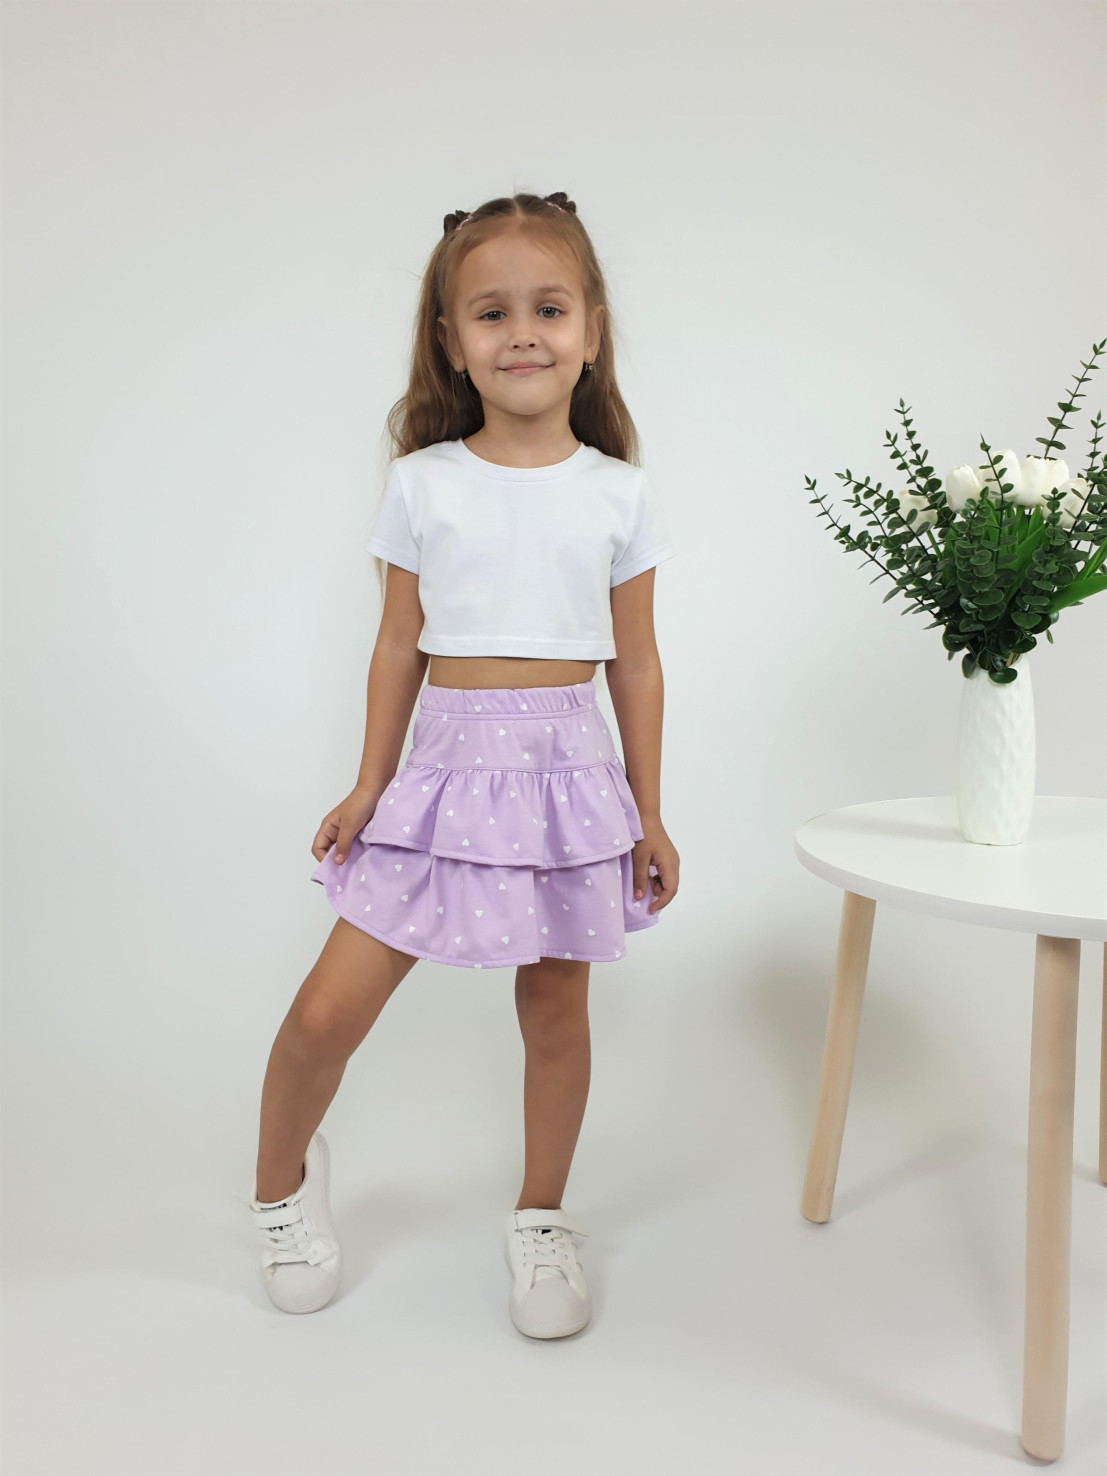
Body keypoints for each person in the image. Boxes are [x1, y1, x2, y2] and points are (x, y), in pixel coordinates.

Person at [247, 190, 679, 1339]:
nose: (522, 334)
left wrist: (648, 810)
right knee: (324, 1015)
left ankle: (541, 1218)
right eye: (492, 313)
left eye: (549, 309)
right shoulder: (423, 482)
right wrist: (369, 784)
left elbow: (637, 665)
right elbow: (398, 643)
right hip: (440, 777)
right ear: (451, 339)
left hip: (570, 780)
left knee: (556, 1011)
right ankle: (281, 1189)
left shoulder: (619, 493)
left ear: (591, 330)